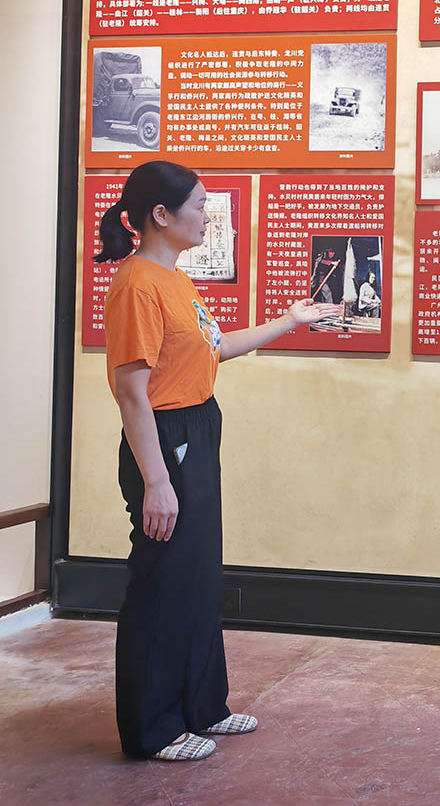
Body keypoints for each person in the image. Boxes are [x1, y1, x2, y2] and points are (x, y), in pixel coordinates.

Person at [96, 161, 337, 763]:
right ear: (161, 215)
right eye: (200, 206)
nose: (208, 216)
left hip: (198, 427)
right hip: (165, 439)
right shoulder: (137, 285)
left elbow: (217, 348)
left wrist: (290, 321)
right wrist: (156, 480)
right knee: (163, 582)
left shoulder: (175, 279)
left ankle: (203, 706)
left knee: (198, 578)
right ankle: (154, 728)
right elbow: (131, 393)